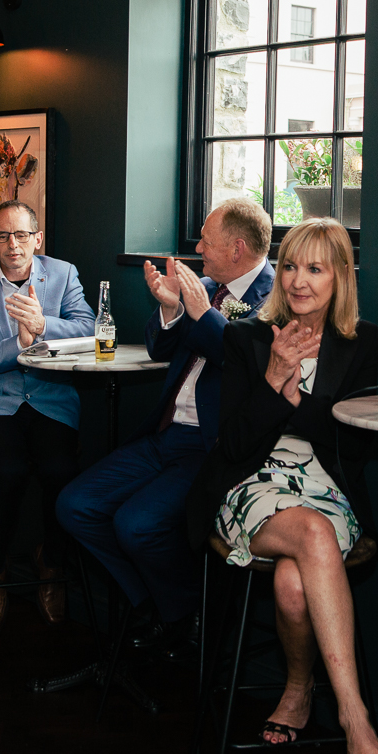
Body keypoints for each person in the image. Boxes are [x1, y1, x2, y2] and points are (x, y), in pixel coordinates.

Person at [184, 218, 378, 754]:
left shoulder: (362, 342)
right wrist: (275, 380)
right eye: (292, 265)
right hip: (253, 482)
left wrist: (294, 402)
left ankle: (298, 688)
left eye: (316, 269)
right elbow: (233, 444)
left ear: (340, 276)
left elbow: (355, 442)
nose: (299, 281)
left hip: (326, 483)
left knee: (295, 583)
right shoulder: (248, 337)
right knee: (314, 536)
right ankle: (354, 715)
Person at [56, 198, 274, 647]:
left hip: (213, 448)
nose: (198, 248)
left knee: (137, 525)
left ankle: (184, 613)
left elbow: (246, 366)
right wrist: (171, 308)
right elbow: (159, 349)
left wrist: (202, 314)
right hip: (165, 433)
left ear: (237, 248)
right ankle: (157, 604)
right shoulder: (209, 286)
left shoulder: (274, 299)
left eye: (207, 241)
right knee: (75, 505)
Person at [0, 200, 95, 632]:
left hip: (51, 397)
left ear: (38, 238)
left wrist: (43, 324)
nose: (12, 245)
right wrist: (18, 344)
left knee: (60, 469)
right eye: (2, 235)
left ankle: (51, 565)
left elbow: (90, 328)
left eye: (21, 235)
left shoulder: (64, 273)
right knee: (7, 468)